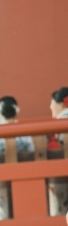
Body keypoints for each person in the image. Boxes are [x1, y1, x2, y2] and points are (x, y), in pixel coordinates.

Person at [0, 96, 34, 220]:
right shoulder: (24, 131)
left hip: (2, 173)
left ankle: (3, 223)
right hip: (22, 173)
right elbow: (31, 151)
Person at [47, 87, 68, 215]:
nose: (51, 107)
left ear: (61, 104)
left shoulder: (59, 122)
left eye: (52, 103)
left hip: (60, 168)